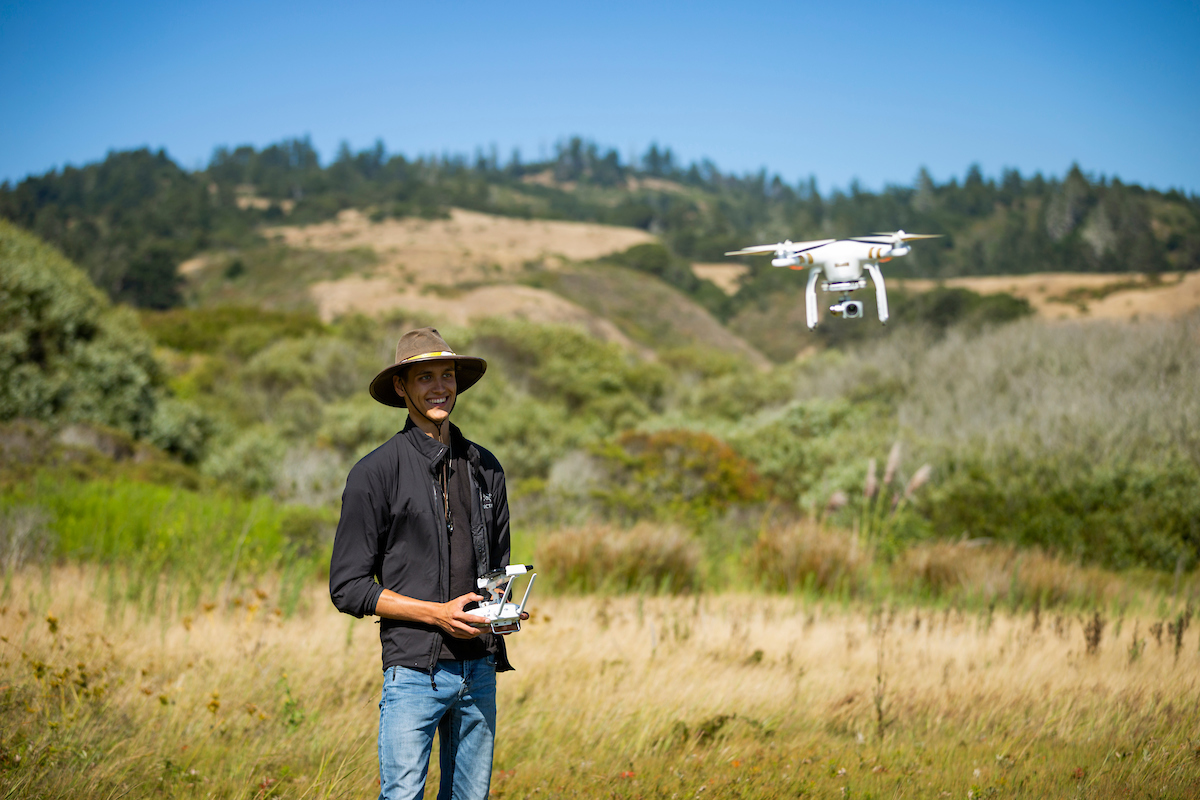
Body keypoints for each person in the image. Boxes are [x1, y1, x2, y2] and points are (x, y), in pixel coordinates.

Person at [329, 327, 521, 800]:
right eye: (425, 376)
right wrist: (437, 614)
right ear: (401, 387)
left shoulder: (487, 468)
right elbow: (348, 587)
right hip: (412, 673)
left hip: (479, 670)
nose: (440, 387)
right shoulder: (374, 473)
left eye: (448, 375)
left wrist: (501, 614)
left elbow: (498, 570)